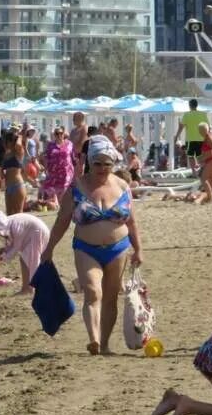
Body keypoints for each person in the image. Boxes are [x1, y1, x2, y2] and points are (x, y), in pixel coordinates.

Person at [40, 136, 142, 355]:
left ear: (114, 164)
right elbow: (62, 222)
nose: (103, 168)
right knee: (93, 292)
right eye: (98, 163)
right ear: (90, 162)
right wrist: (49, 249)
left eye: (107, 164)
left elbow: (131, 221)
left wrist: (138, 249)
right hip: (86, 248)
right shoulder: (77, 187)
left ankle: (105, 344)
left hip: (119, 249)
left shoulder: (123, 185)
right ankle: (93, 339)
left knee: (111, 297)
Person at [0, 210, 51, 296]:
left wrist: (2, 258)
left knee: (31, 261)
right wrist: (4, 250)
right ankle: (27, 288)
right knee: (25, 260)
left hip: (38, 232)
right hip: (34, 233)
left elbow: (16, 247)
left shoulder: (15, 226)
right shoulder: (8, 223)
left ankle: (30, 288)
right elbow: (12, 243)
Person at [176, 98, 209, 173]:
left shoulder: (186, 115)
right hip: (201, 139)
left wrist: (177, 136)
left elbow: (181, 127)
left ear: (189, 105)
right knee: (200, 156)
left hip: (190, 139)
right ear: (197, 105)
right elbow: (208, 127)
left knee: (190, 156)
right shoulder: (203, 114)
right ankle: (201, 171)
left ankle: (194, 172)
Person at [1, 126, 27, 215]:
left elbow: (18, 145)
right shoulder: (7, 154)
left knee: (18, 213)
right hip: (8, 186)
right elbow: (3, 168)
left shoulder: (19, 152)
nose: (5, 143)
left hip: (17, 185)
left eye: (8, 141)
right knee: (9, 213)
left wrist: (19, 136)